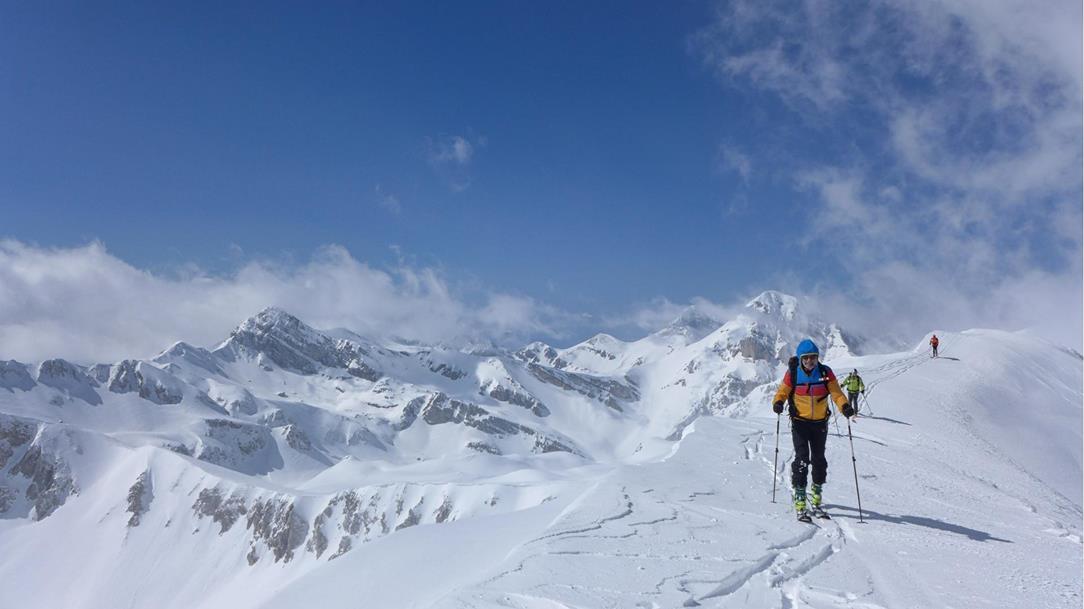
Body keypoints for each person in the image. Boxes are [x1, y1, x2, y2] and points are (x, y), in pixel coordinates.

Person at [771, 339, 852, 520]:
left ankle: (816, 498)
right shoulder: (793, 374)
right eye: (806, 358)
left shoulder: (825, 373)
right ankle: (800, 499)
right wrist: (778, 403)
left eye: (813, 357)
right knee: (802, 460)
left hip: (820, 424)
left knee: (819, 460)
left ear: (817, 358)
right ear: (800, 358)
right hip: (800, 423)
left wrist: (845, 406)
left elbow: (837, 393)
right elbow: (782, 392)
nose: (810, 361)